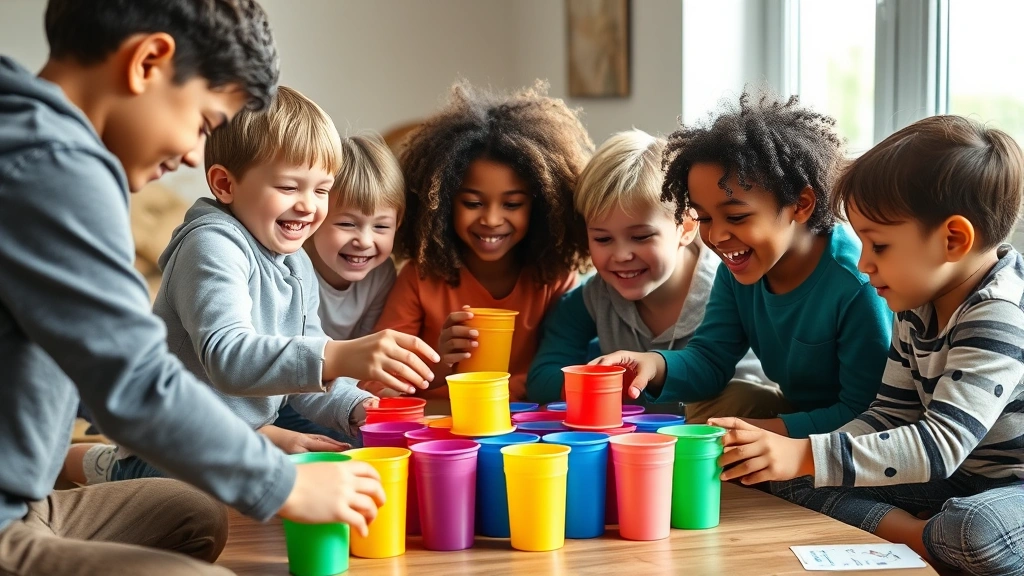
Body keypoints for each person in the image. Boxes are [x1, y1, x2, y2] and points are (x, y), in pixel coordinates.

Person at [0, 2, 382, 573]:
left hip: (28, 503)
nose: (192, 153)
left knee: (192, 513)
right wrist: (283, 485)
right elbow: (134, 381)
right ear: (148, 62)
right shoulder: (54, 166)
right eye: (204, 123)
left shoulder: (37, 139)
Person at [712, 115, 1024, 575]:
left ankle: (921, 536)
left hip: (1009, 487)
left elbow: (940, 444)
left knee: (972, 531)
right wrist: (790, 451)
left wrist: (803, 452)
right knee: (785, 478)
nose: (863, 263)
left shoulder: (998, 313)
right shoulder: (915, 300)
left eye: (879, 246)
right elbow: (888, 416)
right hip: (952, 481)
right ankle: (924, 537)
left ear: (953, 239)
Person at [592, 90, 892, 438]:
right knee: (716, 405)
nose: (717, 236)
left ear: (801, 204)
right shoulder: (738, 271)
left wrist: (768, 433)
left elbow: (868, 413)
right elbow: (710, 359)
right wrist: (652, 364)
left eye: (736, 216)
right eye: (704, 217)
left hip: (858, 432)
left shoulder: (854, 283)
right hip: (799, 414)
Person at [372, 80, 592, 401]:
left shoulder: (555, 280)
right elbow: (374, 386)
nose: (490, 219)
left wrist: (490, 391)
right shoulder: (419, 279)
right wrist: (441, 362)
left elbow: (569, 375)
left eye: (512, 204)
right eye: (473, 203)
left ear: (543, 205)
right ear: (442, 203)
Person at [527, 129, 766, 404]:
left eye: (641, 237)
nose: (621, 255)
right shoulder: (596, 296)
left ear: (686, 227)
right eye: (602, 238)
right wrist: (605, 380)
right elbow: (541, 380)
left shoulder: (730, 286)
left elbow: (751, 395)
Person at [273, 132, 405, 441]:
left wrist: (376, 392)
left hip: (341, 391)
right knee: (347, 444)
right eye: (347, 224)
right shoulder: (290, 270)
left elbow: (367, 351)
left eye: (381, 226)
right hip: (286, 394)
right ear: (314, 218)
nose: (365, 241)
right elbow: (288, 367)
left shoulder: (381, 273)